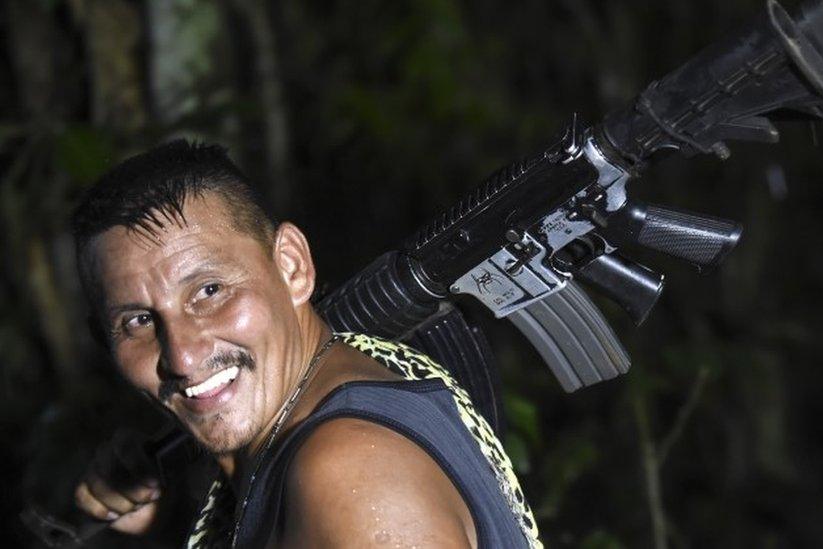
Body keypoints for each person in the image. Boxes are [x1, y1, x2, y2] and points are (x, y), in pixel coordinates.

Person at [70, 140, 540, 548]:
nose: (183, 356)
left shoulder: (350, 475)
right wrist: (164, 522)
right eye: (138, 321)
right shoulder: (300, 439)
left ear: (291, 266)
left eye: (210, 291)